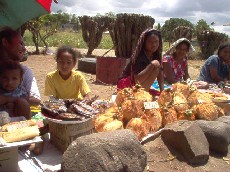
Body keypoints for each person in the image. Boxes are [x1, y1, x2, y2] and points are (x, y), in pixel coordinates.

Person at [0, 27, 41, 113]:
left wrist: (8, 99)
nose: (24, 48)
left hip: (18, 123)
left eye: (14, 78)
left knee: (22, 103)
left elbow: (36, 100)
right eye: (21, 43)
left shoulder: (24, 71)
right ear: (5, 42)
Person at [117, 28, 164, 92]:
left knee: (157, 66)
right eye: (150, 42)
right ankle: (140, 94)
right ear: (144, 42)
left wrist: (162, 91)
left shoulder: (156, 55)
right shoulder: (139, 56)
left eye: (156, 41)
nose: (154, 45)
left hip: (138, 85)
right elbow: (136, 80)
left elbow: (160, 73)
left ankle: (142, 93)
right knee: (155, 64)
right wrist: (153, 65)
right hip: (126, 85)